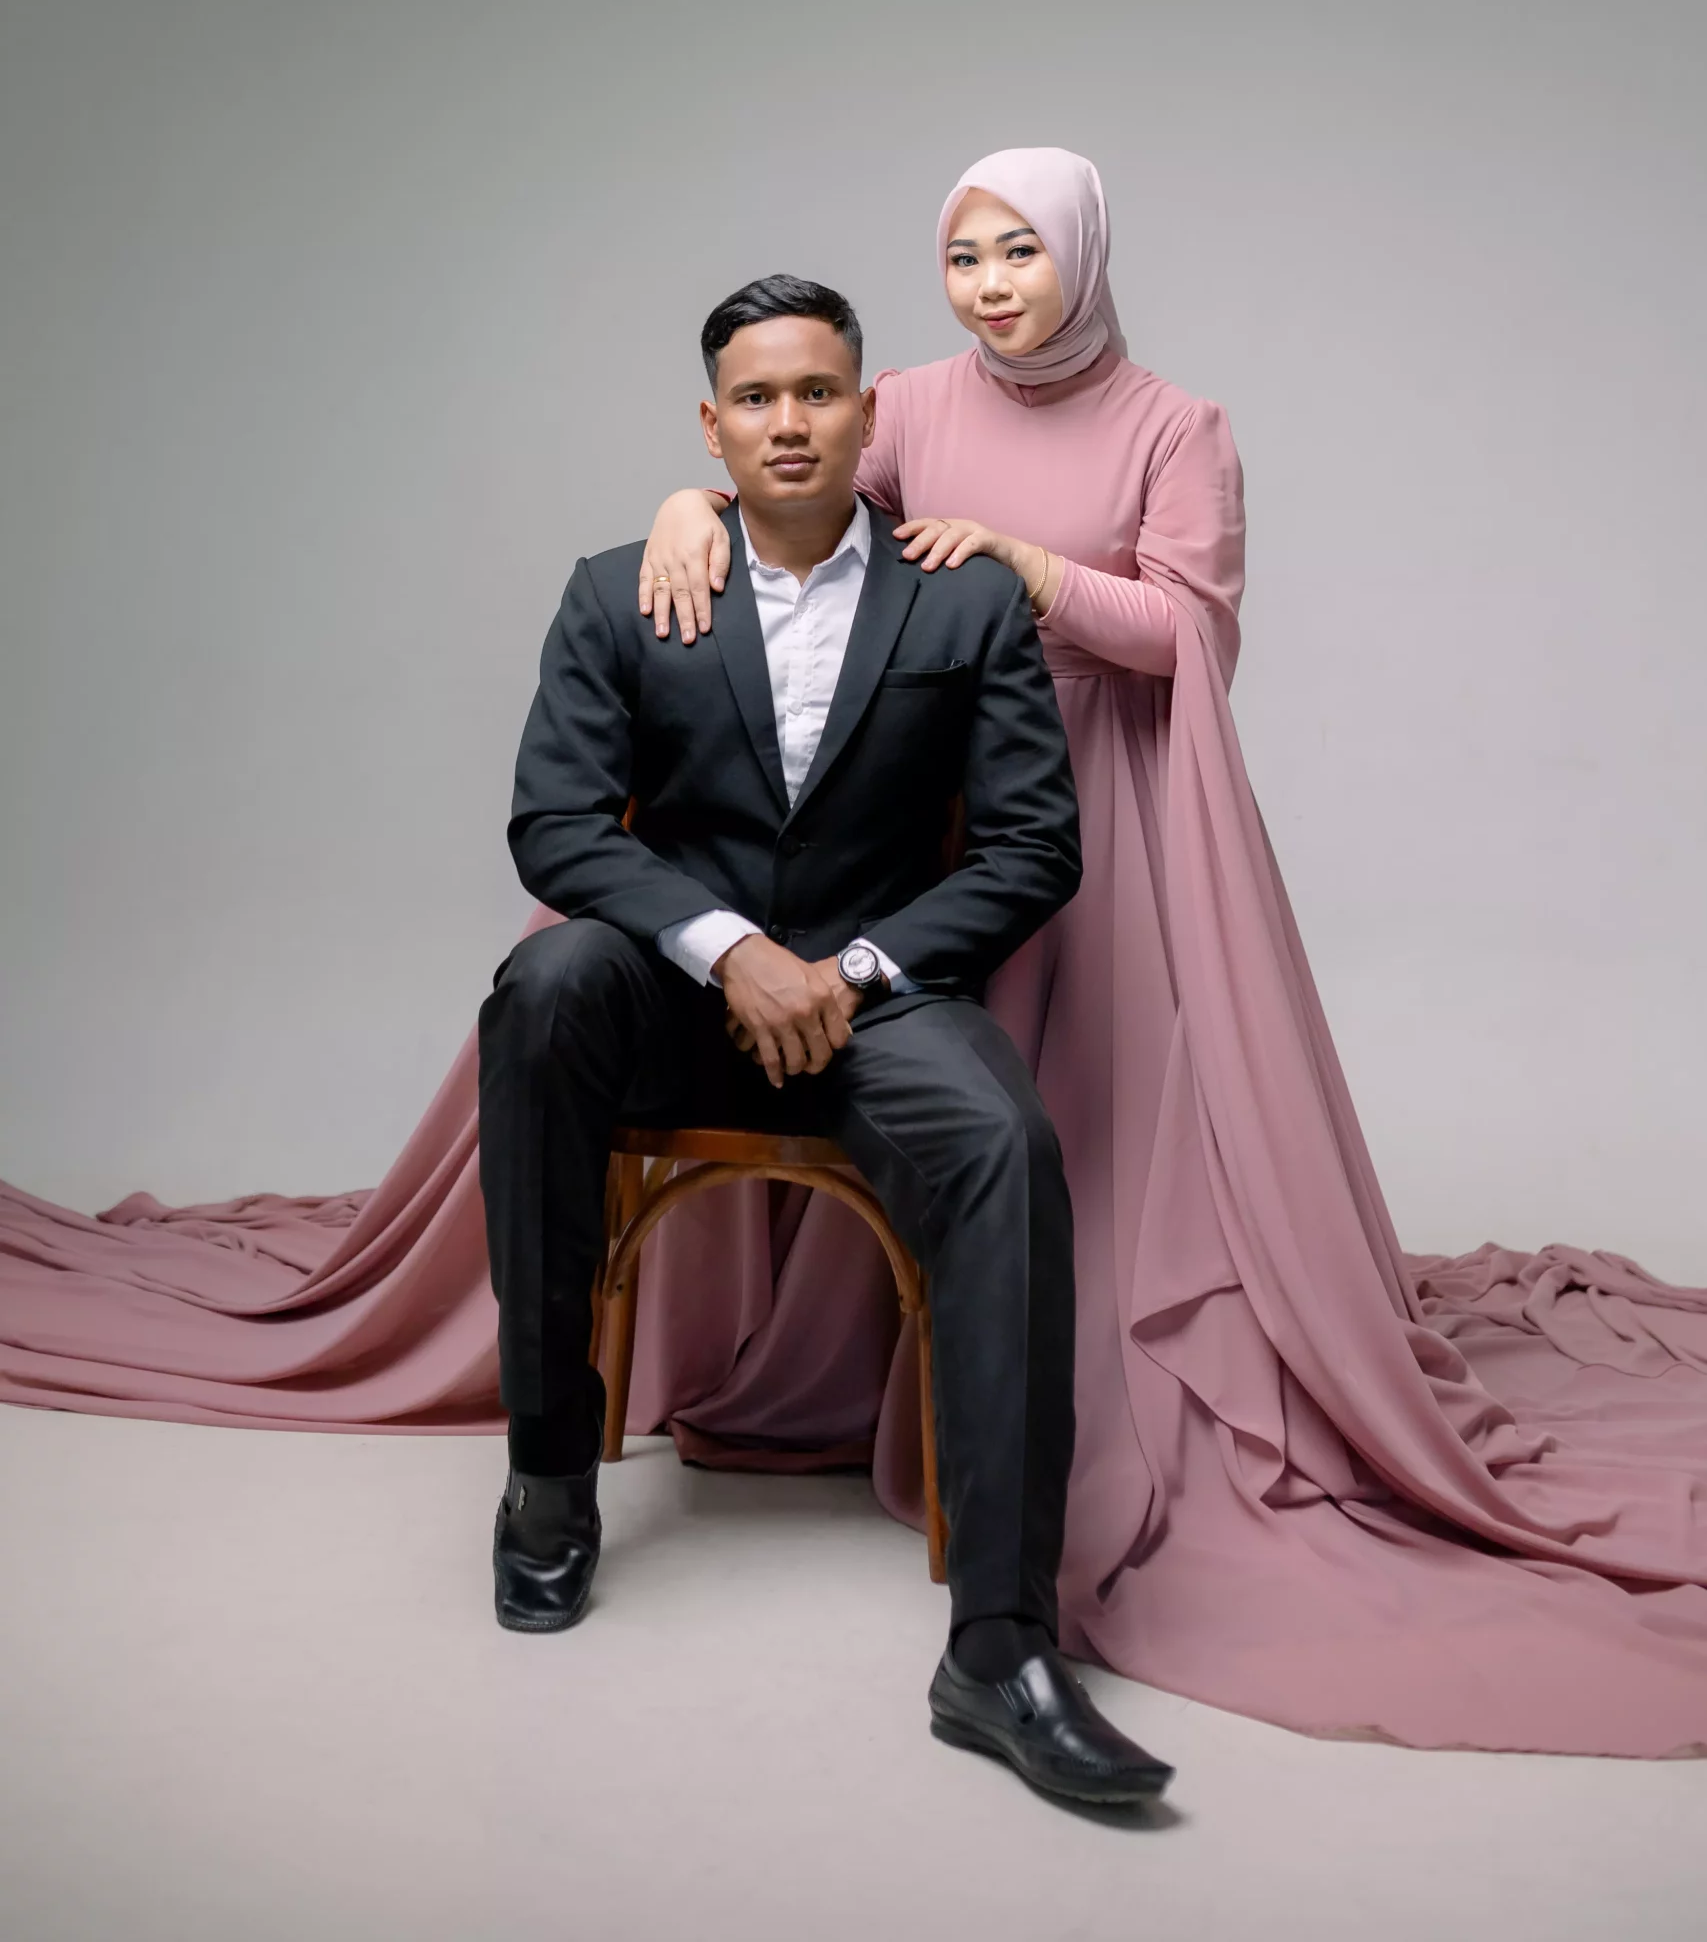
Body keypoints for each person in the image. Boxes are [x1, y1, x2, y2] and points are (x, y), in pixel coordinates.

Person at [635, 146, 1707, 1759]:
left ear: (1081, 254)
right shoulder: (902, 402)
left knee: (1095, 1115)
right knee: (916, 1075)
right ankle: (878, 1369)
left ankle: (1066, 1414)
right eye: (964, 257)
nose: (991, 286)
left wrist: (1026, 569)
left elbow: (1190, 637)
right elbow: (795, 497)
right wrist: (684, 503)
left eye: (1019, 251)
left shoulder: (1173, 425)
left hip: (1108, 794)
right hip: (934, 797)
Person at [478, 269, 1171, 1806]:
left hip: (879, 1004)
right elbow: (555, 825)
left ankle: (1000, 1645)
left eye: (817, 392)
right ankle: (547, 1480)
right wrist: (731, 953)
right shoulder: (618, 588)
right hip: (673, 998)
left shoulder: (962, 597)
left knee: (1002, 1142)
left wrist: (844, 973)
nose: (787, 421)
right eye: (756, 397)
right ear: (711, 425)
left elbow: (1031, 852)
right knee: (541, 993)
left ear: (868, 412)